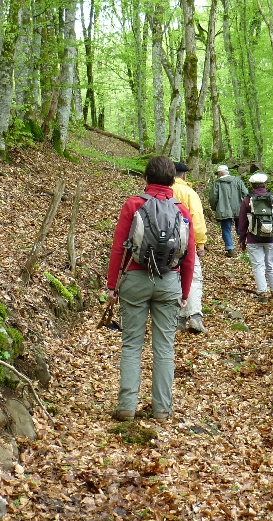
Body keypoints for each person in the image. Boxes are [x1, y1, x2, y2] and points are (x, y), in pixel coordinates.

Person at [106, 156, 195, 421]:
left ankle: (126, 407)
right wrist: (185, 293)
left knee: (132, 345)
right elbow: (189, 256)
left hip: (135, 279)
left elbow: (119, 247)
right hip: (169, 282)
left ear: (146, 178)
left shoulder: (133, 204)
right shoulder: (182, 210)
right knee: (165, 348)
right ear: (173, 180)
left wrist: (112, 286)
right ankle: (162, 410)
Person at [237, 173, 273, 303]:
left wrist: (242, 239)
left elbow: (242, 222)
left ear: (251, 185)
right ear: (265, 184)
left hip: (253, 239)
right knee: (271, 264)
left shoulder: (248, 200)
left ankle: (262, 292)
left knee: (258, 266)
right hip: (271, 238)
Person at [172, 162, 208, 334]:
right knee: (193, 277)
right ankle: (194, 316)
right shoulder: (188, 192)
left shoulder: (163, 190)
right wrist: (200, 243)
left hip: (163, 244)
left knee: (172, 277)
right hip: (186, 241)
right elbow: (197, 218)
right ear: (184, 175)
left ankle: (177, 318)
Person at [208, 164, 248, 257]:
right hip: (239, 209)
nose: (217, 174)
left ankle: (230, 250)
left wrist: (215, 208)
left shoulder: (217, 184)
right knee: (240, 228)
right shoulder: (238, 181)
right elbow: (245, 193)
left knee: (226, 229)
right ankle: (244, 248)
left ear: (220, 172)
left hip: (223, 209)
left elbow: (213, 198)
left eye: (218, 173)